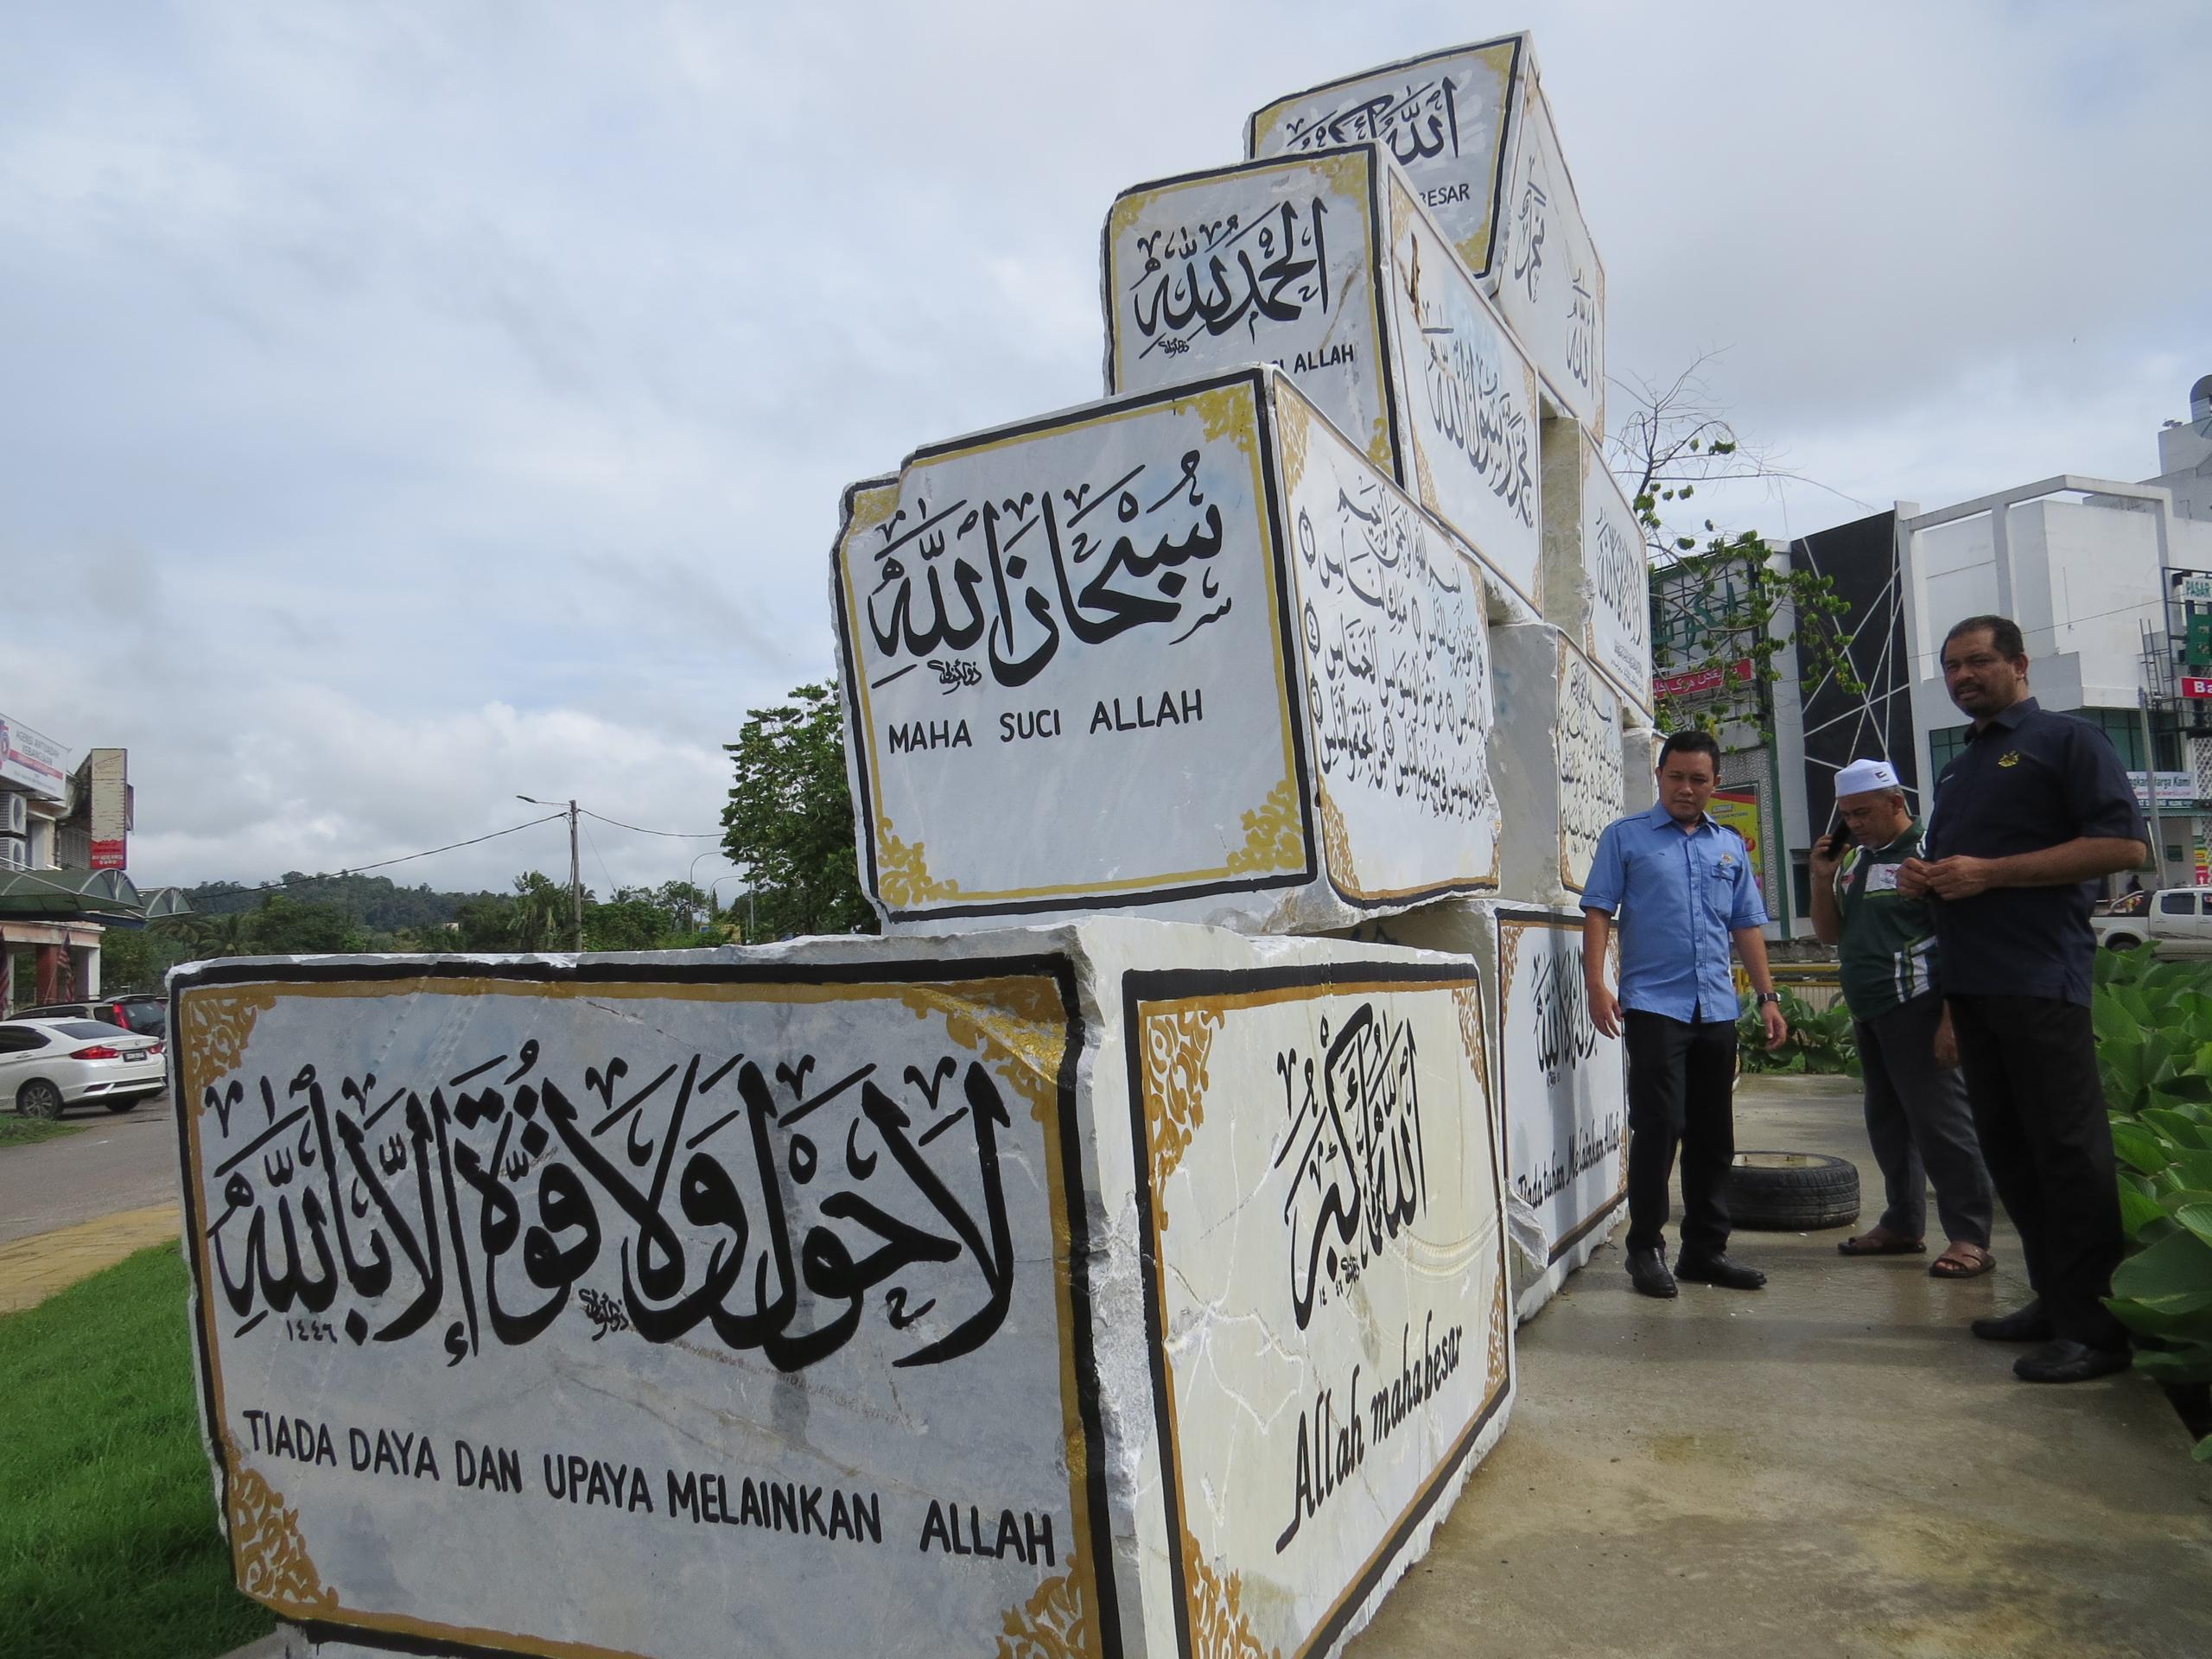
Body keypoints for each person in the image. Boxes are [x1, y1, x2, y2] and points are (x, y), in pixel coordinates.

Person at [1897, 615, 2149, 1384]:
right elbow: (1960, 865)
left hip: (2039, 980)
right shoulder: (1959, 764)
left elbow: (2124, 847)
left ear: (2018, 664)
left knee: (2068, 1153)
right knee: (2011, 1151)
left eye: (1977, 662)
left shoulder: (2067, 742)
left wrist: (1989, 873)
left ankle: (2097, 1332)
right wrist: (1930, 875)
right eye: (1951, 666)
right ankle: (2053, 1303)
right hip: (1972, 984)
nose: (1963, 676)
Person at [1583, 730, 1789, 1300]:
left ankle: (1705, 1249)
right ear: (1660, 776)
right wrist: (1597, 984)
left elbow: (1746, 924)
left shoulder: (1729, 847)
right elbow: (1599, 911)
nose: (1686, 788)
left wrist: (1768, 998)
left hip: (1717, 1008)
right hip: (1653, 1005)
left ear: (1715, 783)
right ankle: (1645, 1247)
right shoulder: (1626, 839)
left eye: (1699, 779)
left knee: (1713, 1134)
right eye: (1676, 777)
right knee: (1659, 1128)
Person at [1808, 757, 1995, 1278]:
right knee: (1887, 1122)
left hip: (1919, 1005)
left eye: (1864, 812)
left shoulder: (1931, 856)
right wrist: (1822, 878)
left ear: (1896, 803)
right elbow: (1829, 935)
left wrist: (1952, 1021)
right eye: (1846, 815)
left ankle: (1969, 1235)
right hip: (1870, 1011)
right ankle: (1903, 1222)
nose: (1855, 823)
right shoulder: (1854, 862)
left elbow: (1963, 941)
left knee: (1942, 1126)